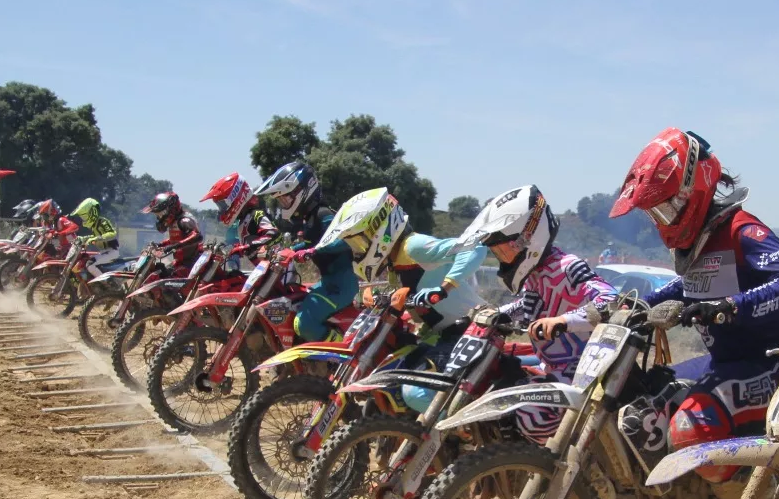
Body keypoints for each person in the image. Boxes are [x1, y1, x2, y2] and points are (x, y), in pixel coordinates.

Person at [608, 129, 779, 473]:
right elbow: (686, 287)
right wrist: (635, 307)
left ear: (695, 188)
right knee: (640, 405)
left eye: (668, 207)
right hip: (722, 364)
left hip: (771, 365)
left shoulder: (741, 230)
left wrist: (731, 306)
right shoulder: (702, 239)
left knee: (692, 425)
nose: (665, 220)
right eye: (656, 213)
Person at [456, 185, 619, 438]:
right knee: (495, 393)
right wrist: (495, 314)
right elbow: (527, 304)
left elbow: (611, 301)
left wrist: (565, 320)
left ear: (528, 238)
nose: (502, 258)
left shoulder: (568, 266)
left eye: (505, 250)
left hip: (580, 374)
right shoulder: (536, 273)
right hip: (552, 369)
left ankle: (563, 468)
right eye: (497, 252)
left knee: (531, 416)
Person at [297, 188, 484, 349]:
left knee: (415, 391)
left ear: (380, 231)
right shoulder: (395, 261)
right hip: (442, 331)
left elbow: (475, 247)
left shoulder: (413, 246)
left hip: (470, 330)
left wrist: (444, 288)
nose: (356, 250)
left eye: (359, 241)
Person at [258, 160, 333, 250]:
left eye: (285, 198)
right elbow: (311, 243)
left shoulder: (322, 213)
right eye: (281, 200)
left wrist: (311, 252)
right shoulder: (309, 217)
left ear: (298, 191)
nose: (284, 204)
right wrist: (290, 251)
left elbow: (341, 241)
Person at [201, 172, 279, 258]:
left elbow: (274, 234)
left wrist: (245, 248)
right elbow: (246, 245)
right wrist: (228, 248)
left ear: (236, 197)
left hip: (276, 265)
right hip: (260, 268)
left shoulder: (256, 214)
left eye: (223, 205)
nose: (222, 210)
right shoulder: (243, 220)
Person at [141, 191, 204, 270]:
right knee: (158, 272)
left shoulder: (184, 220)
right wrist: (160, 245)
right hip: (180, 262)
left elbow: (197, 236)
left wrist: (174, 246)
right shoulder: (175, 221)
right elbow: (176, 239)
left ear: (170, 210)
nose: (159, 218)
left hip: (192, 264)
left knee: (164, 281)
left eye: (160, 214)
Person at [67, 197, 121, 268]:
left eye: (85, 217)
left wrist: (96, 239)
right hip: (104, 252)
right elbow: (94, 237)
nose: (84, 220)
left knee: (90, 264)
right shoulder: (94, 226)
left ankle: (103, 279)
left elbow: (112, 234)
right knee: (86, 262)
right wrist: (83, 239)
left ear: (93, 213)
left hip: (112, 252)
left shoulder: (103, 221)